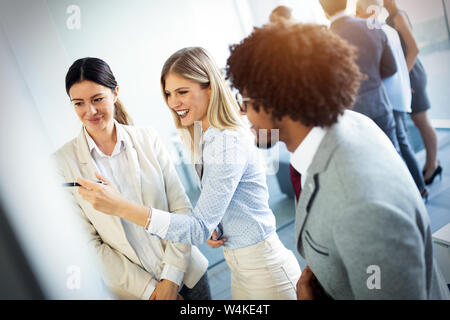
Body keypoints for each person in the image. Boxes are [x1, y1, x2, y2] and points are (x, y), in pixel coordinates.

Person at [225, 20, 450, 299]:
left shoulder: (359, 204)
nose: (241, 112)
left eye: (243, 100)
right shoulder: (350, 124)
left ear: (276, 99)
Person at [76, 48, 301, 300]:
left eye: (182, 91)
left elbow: (197, 229)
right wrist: (219, 223)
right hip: (240, 268)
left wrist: (121, 207)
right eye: (168, 94)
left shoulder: (227, 141)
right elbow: (219, 210)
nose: (173, 102)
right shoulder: (207, 137)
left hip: (266, 272)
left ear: (210, 88)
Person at [53, 57, 210, 300]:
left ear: (115, 93)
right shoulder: (62, 164)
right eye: (79, 103)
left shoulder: (148, 138)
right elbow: (89, 245)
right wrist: (151, 291)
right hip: (136, 293)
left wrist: (170, 280)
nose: (90, 111)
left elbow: (181, 209)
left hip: (188, 275)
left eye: (97, 99)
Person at [356, 0, 428, 200]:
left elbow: (387, 68)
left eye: (358, 10)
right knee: (403, 143)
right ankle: (419, 188)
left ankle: (415, 191)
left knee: (399, 146)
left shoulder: (375, 32)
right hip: (397, 95)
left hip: (389, 98)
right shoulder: (388, 30)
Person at [319, 0, 400, 152]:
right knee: (394, 155)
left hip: (353, 115)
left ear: (323, 9)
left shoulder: (323, 42)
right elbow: (391, 68)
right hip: (379, 104)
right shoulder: (371, 26)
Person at [384, 0, 443, 185]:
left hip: (413, 74)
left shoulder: (398, 16)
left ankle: (433, 165)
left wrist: (404, 77)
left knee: (423, 121)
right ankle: (431, 163)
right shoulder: (389, 18)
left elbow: (414, 49)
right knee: (419, 121)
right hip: (408, 74)